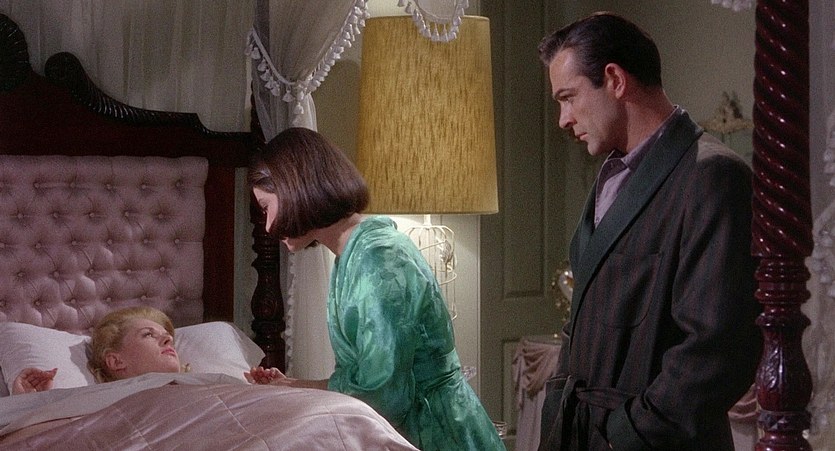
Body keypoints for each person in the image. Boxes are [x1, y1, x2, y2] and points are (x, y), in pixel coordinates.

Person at [536, 12, 762, 451]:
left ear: (615, 80)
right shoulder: (610, 178)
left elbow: (717, 350)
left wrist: (627, 434)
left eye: (569, 98)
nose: (563, 119)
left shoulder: (712, 177)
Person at [246, 126, 504, 451]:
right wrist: (292, 385)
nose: (269, 226)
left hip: (438, 432)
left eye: (267, 207)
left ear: (295, 189)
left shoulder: (380, 259)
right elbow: (365, 382)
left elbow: (383, 394)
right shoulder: (351, 256)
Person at [11, 306, 186, 394]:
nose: (169, 339)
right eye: (148, 334)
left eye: (167, 336)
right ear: (116, 361)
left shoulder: (200, 387)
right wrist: (31, 403)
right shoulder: (95, 410)